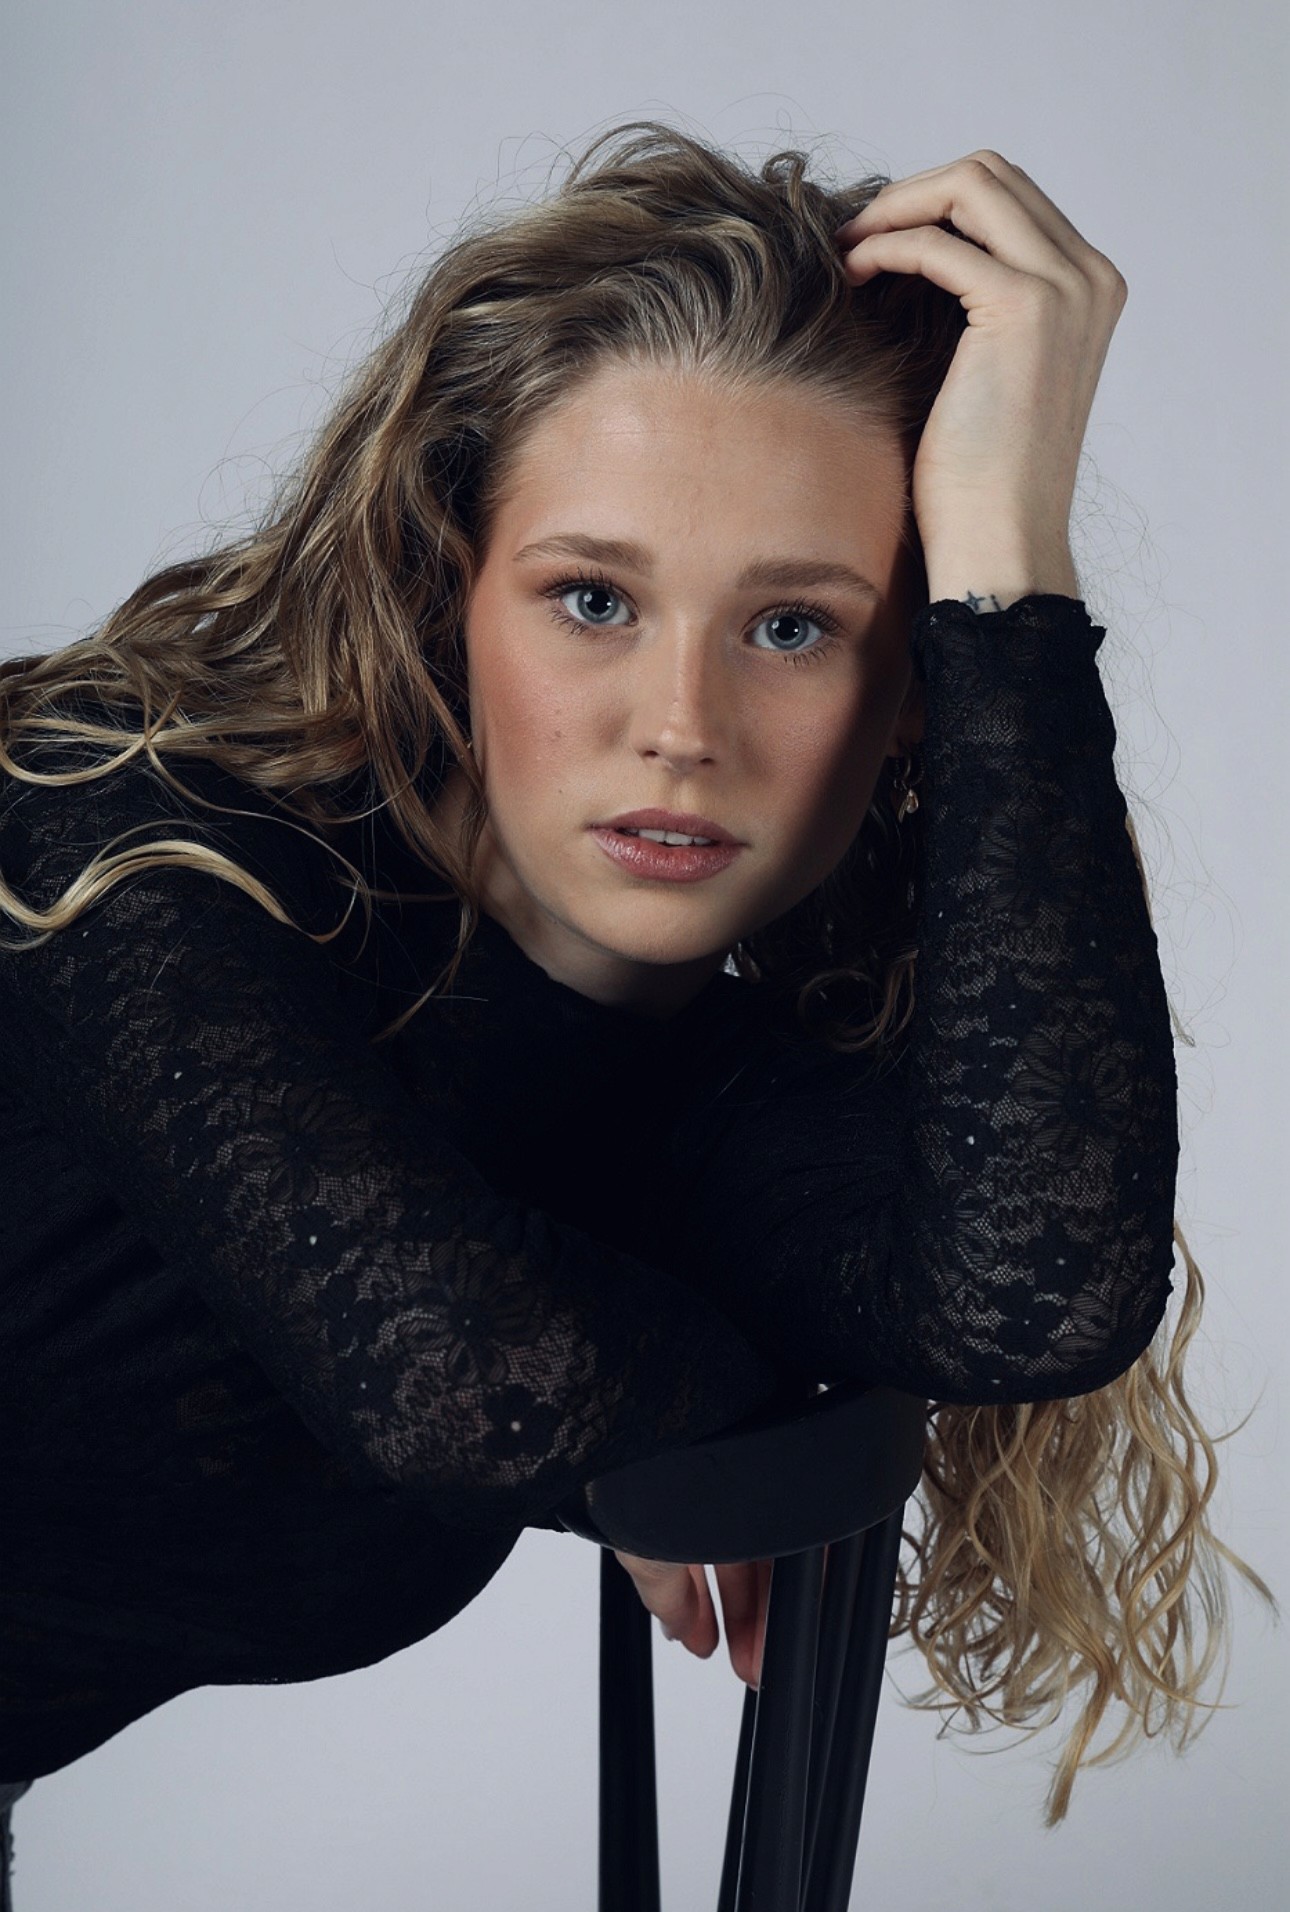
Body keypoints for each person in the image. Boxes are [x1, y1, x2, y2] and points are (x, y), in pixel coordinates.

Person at [0, 120, 1273, 1895]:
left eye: (794, 627)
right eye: (591, 599)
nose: (679, 724)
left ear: (913, 687)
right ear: (444, 592)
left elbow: (1032, 1296)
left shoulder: (700, 1128)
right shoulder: (125, 835)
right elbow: (464, 1385)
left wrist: (1008, 576)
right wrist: (696, 1400)